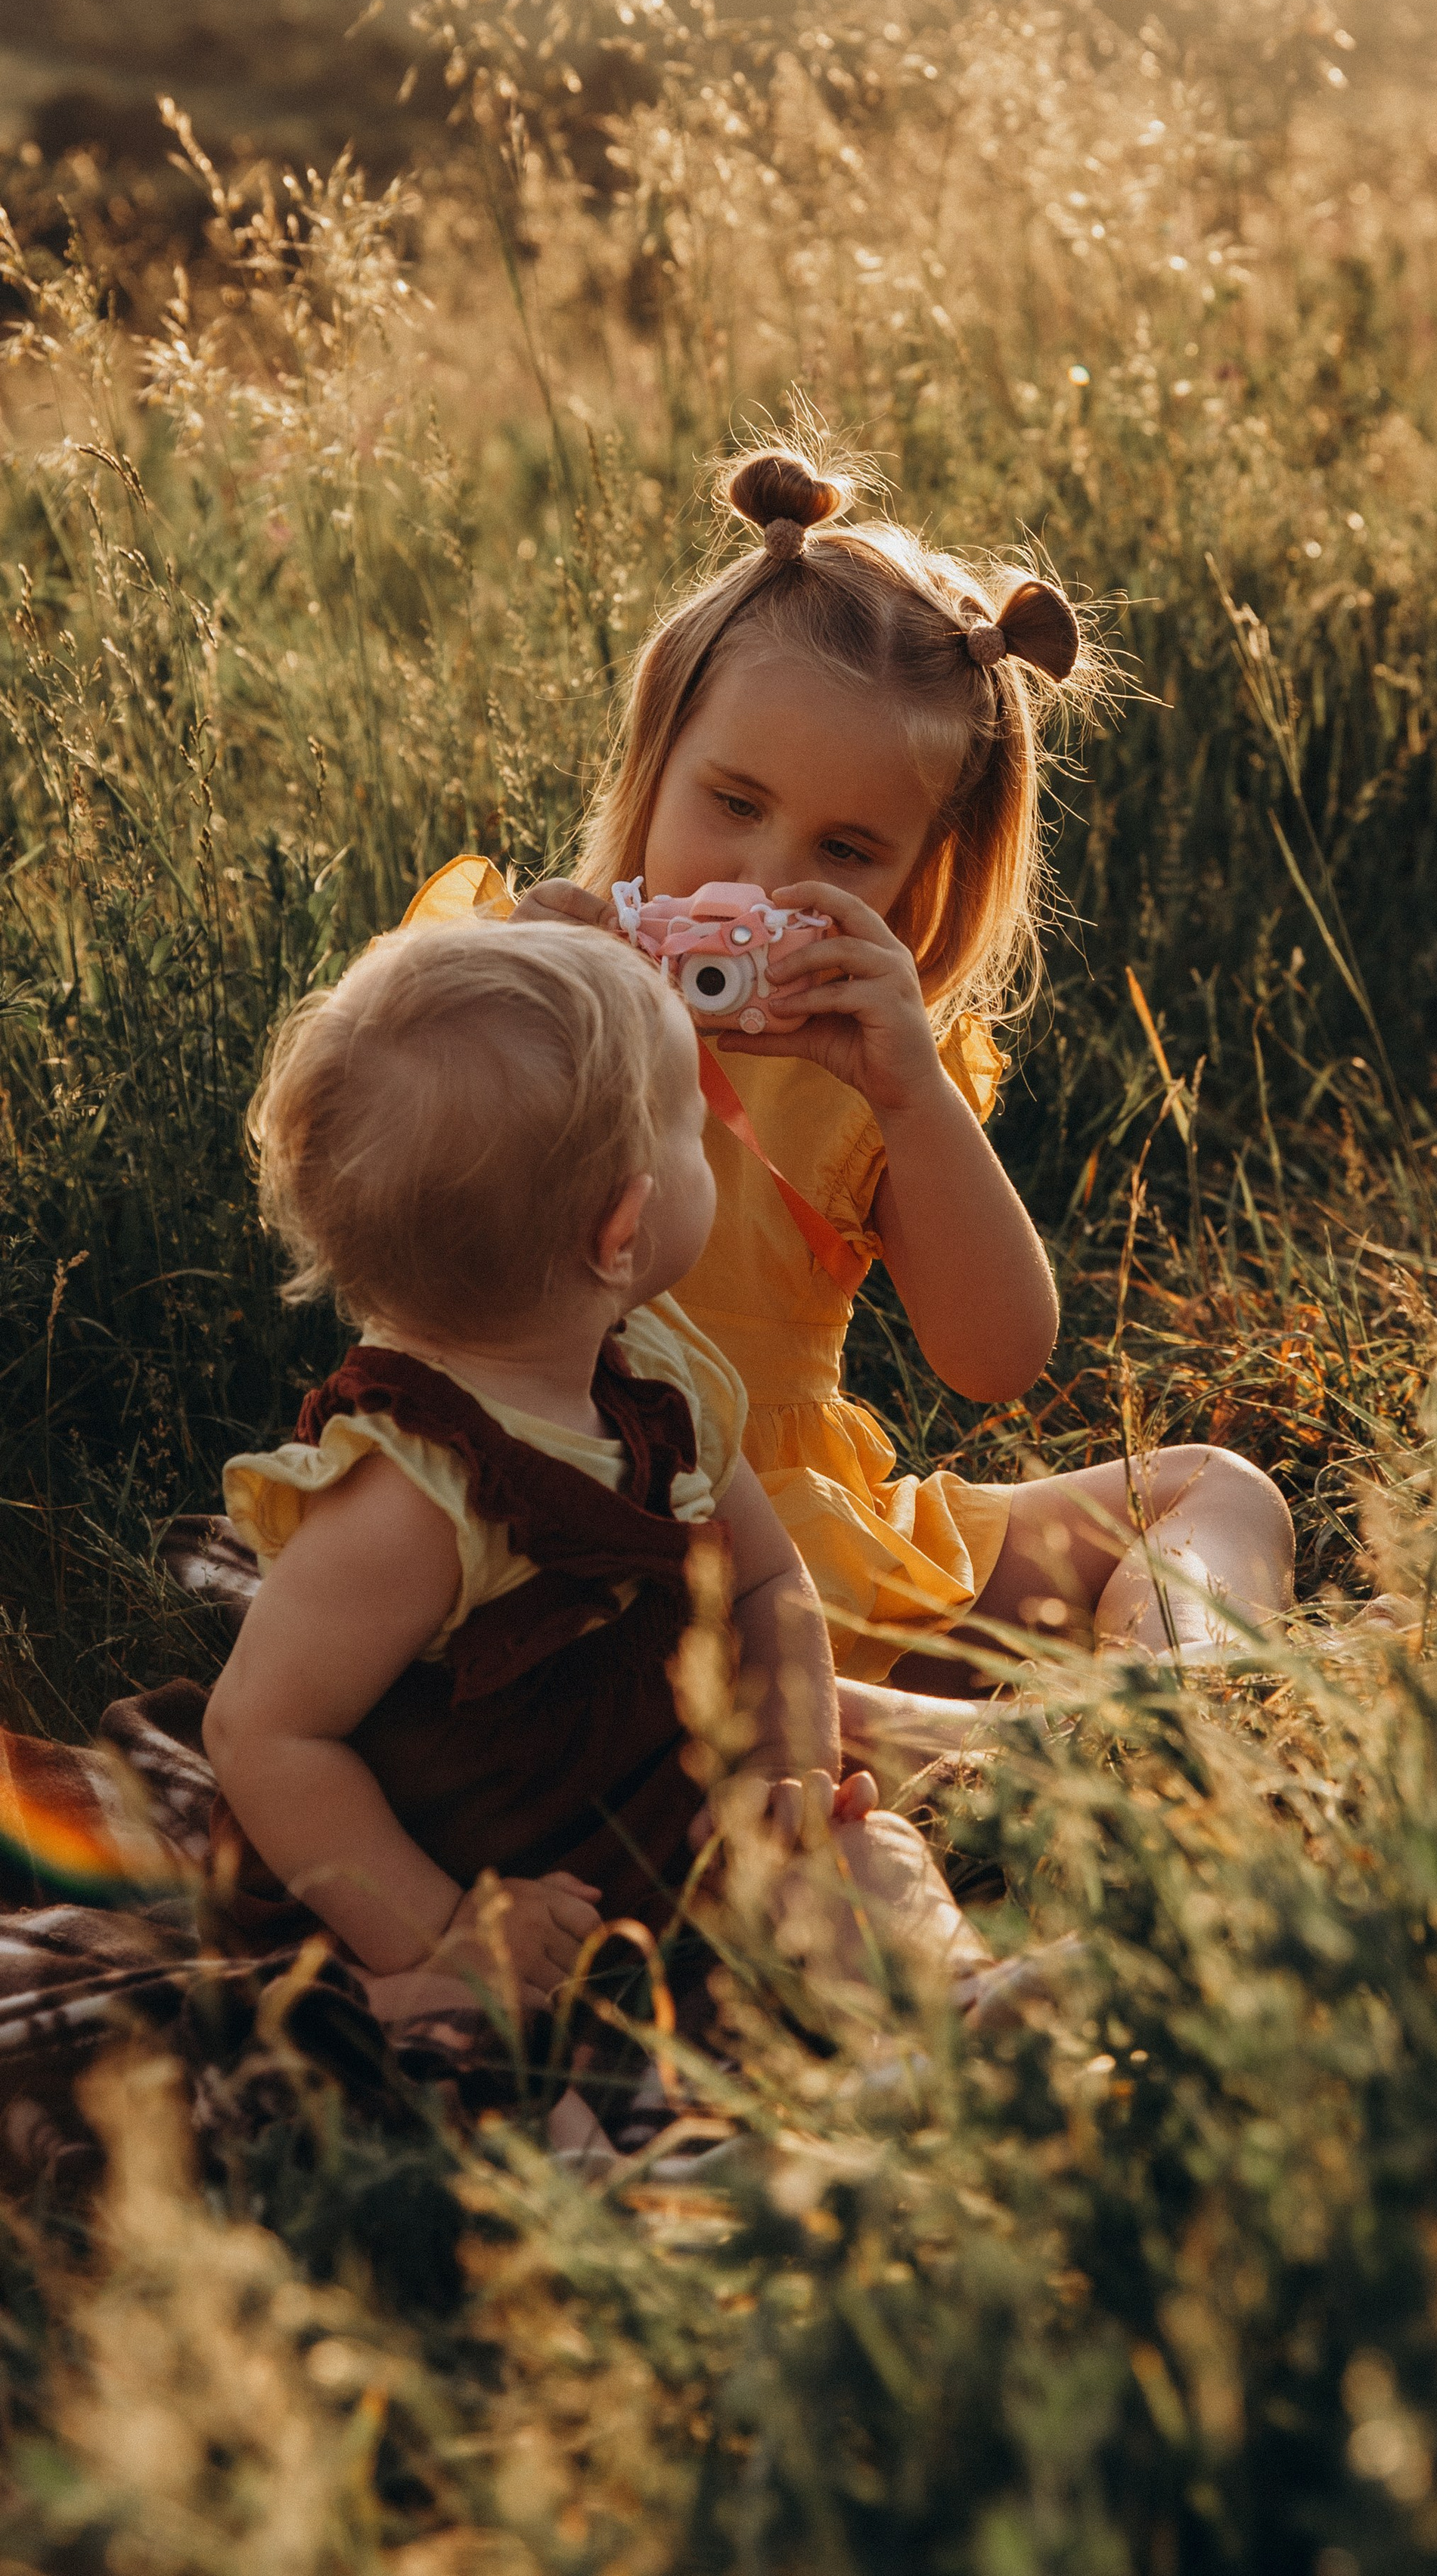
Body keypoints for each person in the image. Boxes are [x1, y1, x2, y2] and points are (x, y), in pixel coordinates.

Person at [509, 441, 1298, 1768]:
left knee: (1218, 1488)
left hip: (819, 1535)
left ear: (922, 878)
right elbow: (390, 1250)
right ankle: (975, 1751)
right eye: (734, 803)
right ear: (656, 753)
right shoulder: (517, 973)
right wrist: (526, 1026)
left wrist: (911, 1091)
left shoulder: (866, 1063)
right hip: (594, 1529)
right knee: (662, 1657)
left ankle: (1167, 1698)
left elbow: (997, 1360)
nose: (769, 877)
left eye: (847, 849)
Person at [200, 913, 984, 2032]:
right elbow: (261, 1733)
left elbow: (770, 1583)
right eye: (693, 1128)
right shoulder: (416, 1491)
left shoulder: (655, 1367)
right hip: (463, 1870)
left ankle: (967, 2020)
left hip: (662, 1825)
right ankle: (527, 2045)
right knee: (459, 2036)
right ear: (624, 1229)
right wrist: (447, 1933)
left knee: (867, 1855)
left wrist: (784, 1763)